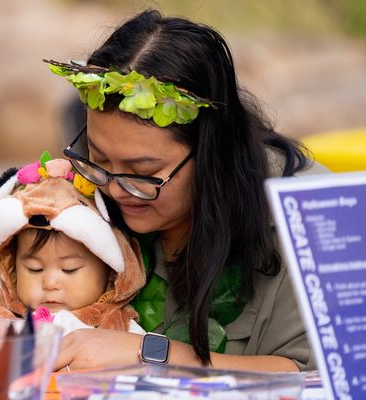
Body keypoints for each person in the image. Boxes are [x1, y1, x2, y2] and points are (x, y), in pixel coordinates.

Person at [47, 10, 329, 372]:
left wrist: (147, 351)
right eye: (98, 158)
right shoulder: (86, 198)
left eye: (143, 173)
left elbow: (326, 378)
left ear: (213, 153)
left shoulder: (309, 215)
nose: (116, 190)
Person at [0, 153, 147, 335]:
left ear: (110, 273)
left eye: (69, 269)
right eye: (35, 269)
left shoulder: (116, 327)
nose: (50, 284)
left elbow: (142, 358)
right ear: (12, 270)